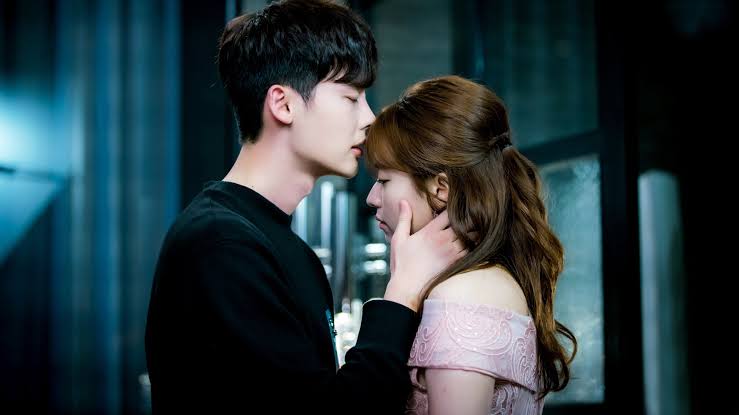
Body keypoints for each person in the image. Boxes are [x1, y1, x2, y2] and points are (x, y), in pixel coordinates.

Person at [143, 1, 466, 414]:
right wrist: (402, 292)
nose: (369, 118)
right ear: (283, 104)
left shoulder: (282, 247)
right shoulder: (221, 244)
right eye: (351, 97)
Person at [365, 75, 578, 414]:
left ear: (440, 188)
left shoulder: (460, 295)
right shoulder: (483, 280)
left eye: (384, 180)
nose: (372, 197)